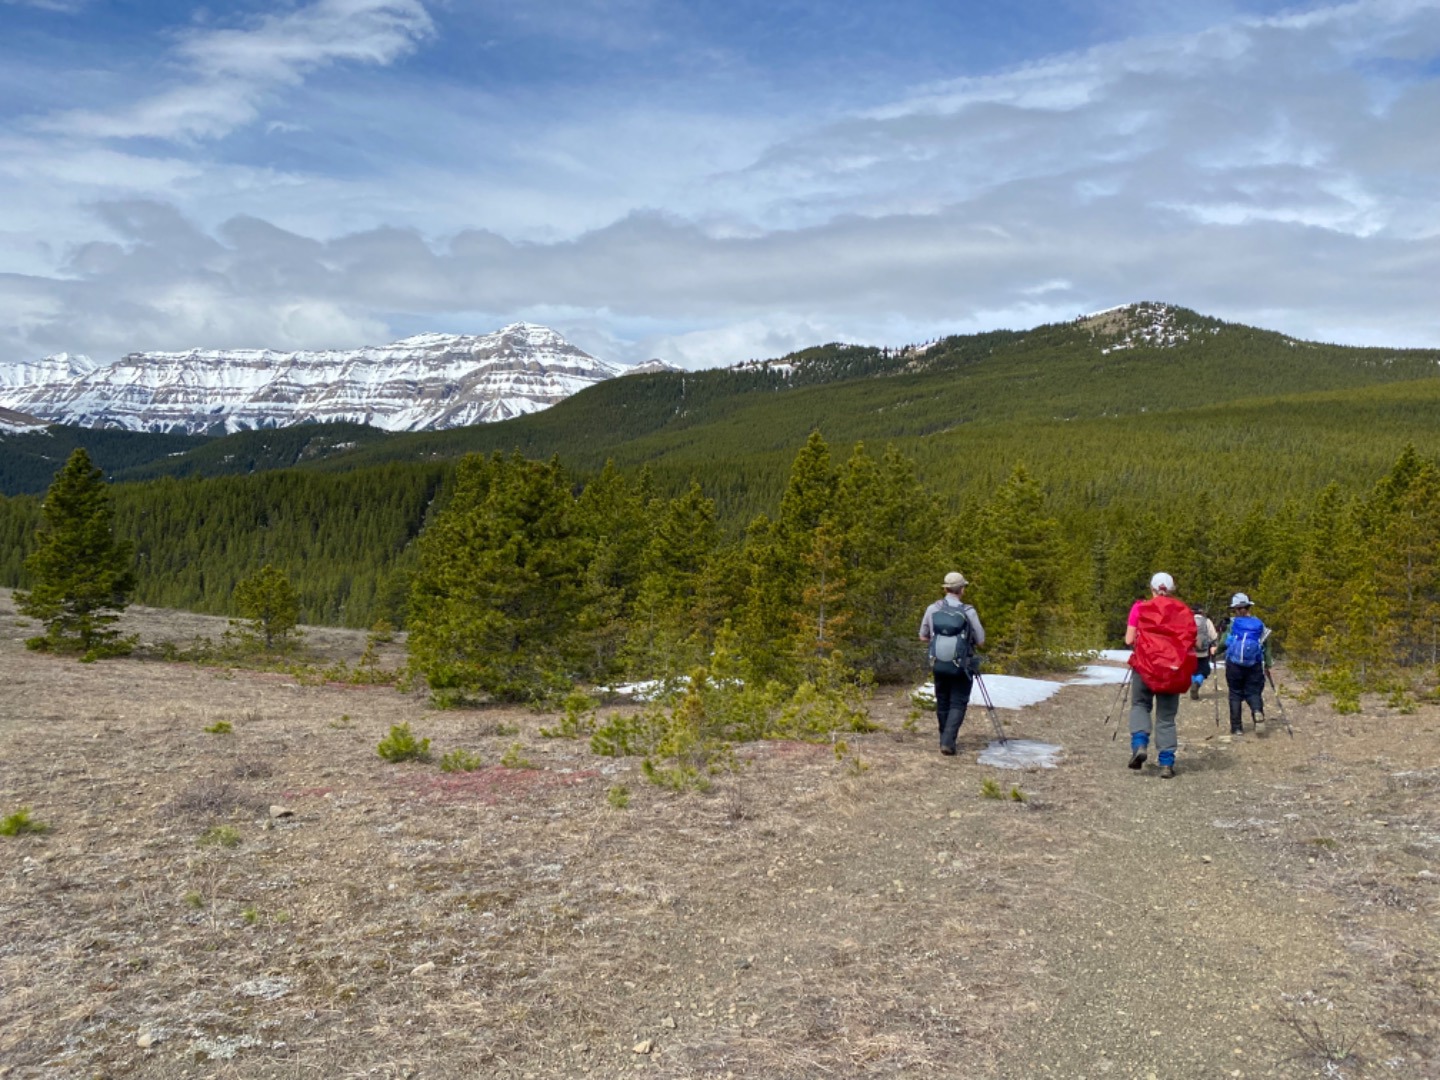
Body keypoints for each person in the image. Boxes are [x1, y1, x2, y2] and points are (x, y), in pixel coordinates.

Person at [1125, 572, 1196, 779]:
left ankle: (1139, 744)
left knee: (1140, 705)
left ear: (1152, 588)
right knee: (1166, 718)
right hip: (1172, 670)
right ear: (1172, 589)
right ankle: (1166, 763)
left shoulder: (1140, 607)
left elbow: (1129, 639)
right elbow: (1193, 642)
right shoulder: (1183, 610)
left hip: (1145, 667)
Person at [919, 571, 986, 756]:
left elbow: (923, 636)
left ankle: (944, 739)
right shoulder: (968, 611)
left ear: (946, 589)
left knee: (942, 700)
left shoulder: (933, 609)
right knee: (958, 702)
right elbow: (980, 640)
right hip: (962, 664)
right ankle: (948, 741)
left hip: (939, 663)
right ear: (962, 589)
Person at [1223, 592, 1271, 734]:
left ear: (1235, 609)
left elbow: (1224, 642)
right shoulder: (1259, 624)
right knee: (1254, 691)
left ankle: (1237, 727)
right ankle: (1257, 711)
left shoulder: (1233, 624)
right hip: (1254, 664)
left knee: (1235, 693)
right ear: (1249, 606)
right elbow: (1266, 645)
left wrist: (1215, 650)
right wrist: (1268, 663)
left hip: (1234, 664)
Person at [1189, 605, 1219, 699]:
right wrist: (1214, 645)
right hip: (1203, 652)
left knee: (1191, 670)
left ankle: (1193, 682)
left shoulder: (1188, 620)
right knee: (1204, 670)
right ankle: (1197, 683)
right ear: (1201, 611)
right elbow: (1213, 636)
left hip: (1190, 651)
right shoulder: (1206, 621)